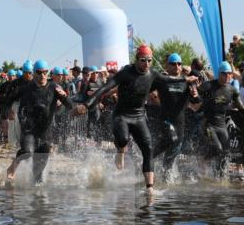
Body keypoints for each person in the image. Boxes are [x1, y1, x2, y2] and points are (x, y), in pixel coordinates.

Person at [75, 45, 193, 189]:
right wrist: (86, 105)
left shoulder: (152, 73)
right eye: (143, 60)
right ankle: (120, 149)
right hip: (122, 115)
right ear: (137, 59)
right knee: (124, 138)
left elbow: (168, 80)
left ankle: (149, 188)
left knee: (148, 148)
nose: (147, 64)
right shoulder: (126, 72)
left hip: (138, 116)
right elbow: (104, 88)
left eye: (149, 60)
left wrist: (186, 79)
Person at [5, 60, 71, 184]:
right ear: (34, 73)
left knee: (38, 176)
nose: (42, 75)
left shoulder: (54, 88)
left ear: (48, 73)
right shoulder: (26, 88)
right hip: (29, 128)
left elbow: (69, 105)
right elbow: (8, 99)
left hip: (45, 132)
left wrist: (65, 97)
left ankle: (36, 197)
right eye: (39, 72)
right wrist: (7, 113)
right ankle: (13, 166)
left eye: (45, 72)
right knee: (27, 152)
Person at [189, 62, 244, 176]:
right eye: (224, 74)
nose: (227, 77)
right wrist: (194, 94)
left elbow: (241, 108)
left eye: (229, 74)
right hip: (208, 123)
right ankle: (202, 161)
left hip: (221, 125)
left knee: (225, 154)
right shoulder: (208, 85)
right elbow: (194, 97)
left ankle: (219, 179)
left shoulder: (232, 90)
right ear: (219, 74)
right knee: (217, 148)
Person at [151, 53, 199, 180]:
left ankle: (163, 177)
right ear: (167, 65)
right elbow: (147, 89)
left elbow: (196, 101)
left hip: (180, 124)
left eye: (179, 64)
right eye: (173, 64)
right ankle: (150, 164)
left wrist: (195, 93)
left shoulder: (187, 82)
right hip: (165, 121)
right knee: (172, 140)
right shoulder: (162, 80)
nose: (176, 66)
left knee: (170, 151)